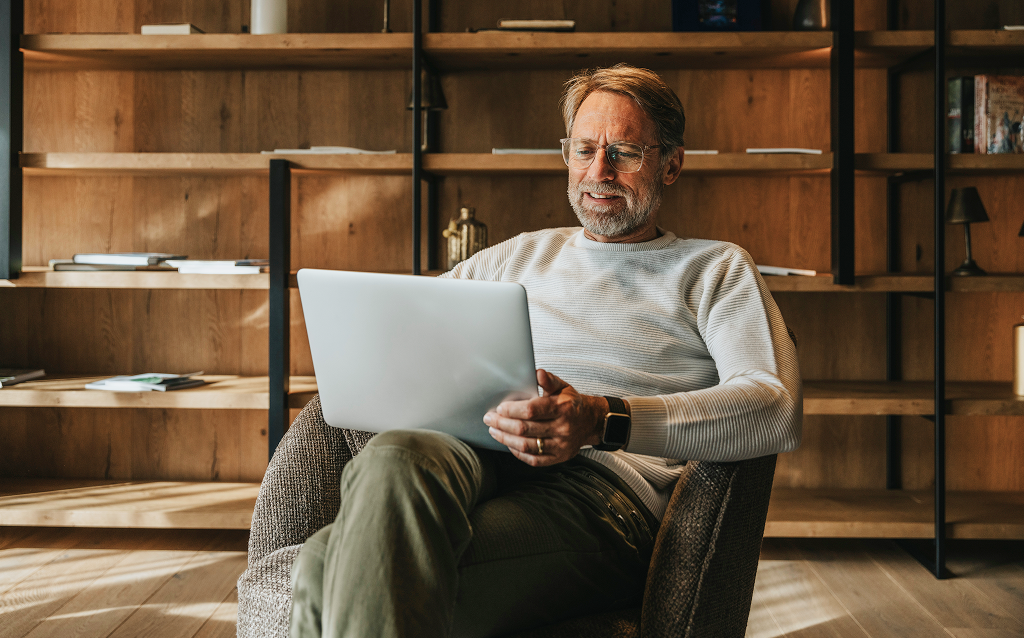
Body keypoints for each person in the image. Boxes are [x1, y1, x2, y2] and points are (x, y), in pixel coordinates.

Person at [289, 63, 802, 638]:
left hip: (598, 491)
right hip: (473, 452)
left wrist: (599, 418)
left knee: (320, 569)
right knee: (393, 454)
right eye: (584, 149)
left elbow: (773, 409)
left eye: (625, 152)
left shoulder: (714, 268)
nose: (598, 171)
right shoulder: (512, 257)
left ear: (671, 164)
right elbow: (409, 340)